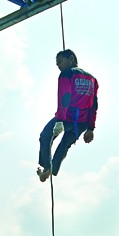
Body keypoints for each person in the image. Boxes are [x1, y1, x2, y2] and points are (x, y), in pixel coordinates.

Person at [36, 49, 99, 182]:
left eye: (60, 62)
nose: (58, 66)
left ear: (71, 58)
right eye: (57, 64)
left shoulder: (66, 74)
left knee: (46, 136)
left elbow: (64, 97)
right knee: (64, 145)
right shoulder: (93, 79)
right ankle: (51, 169)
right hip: (82, 123)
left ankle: (47, 168)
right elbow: (93, 106)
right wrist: (90, 128)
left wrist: (60, 120)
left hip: (67, 117)